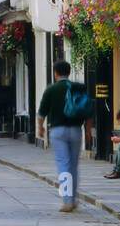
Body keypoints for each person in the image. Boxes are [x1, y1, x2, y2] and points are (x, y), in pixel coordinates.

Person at [36, 59, 93, 212]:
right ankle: (73, 198)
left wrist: (40, 127)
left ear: (55, 73)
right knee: (73, 165)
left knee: (63, 164)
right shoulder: (77, 88)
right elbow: (87, 110)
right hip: (76, 130)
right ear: (69, 72)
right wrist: (88, 130)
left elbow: (41, 112)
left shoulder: (51, 89)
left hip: (58, 131)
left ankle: (67, 200)